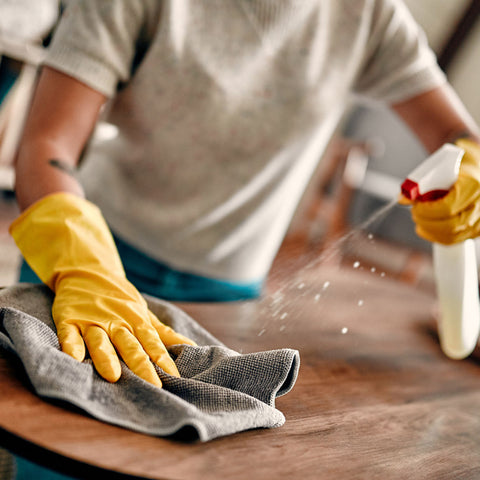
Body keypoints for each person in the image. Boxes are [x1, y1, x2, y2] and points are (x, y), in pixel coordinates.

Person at [5, 0, 480, 477]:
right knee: (57, 456)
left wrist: (470, 167)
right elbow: (48, 145)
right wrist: (86, 267)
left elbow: (459, 133)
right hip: (84, 266)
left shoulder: (369, 13)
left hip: (229, 297)